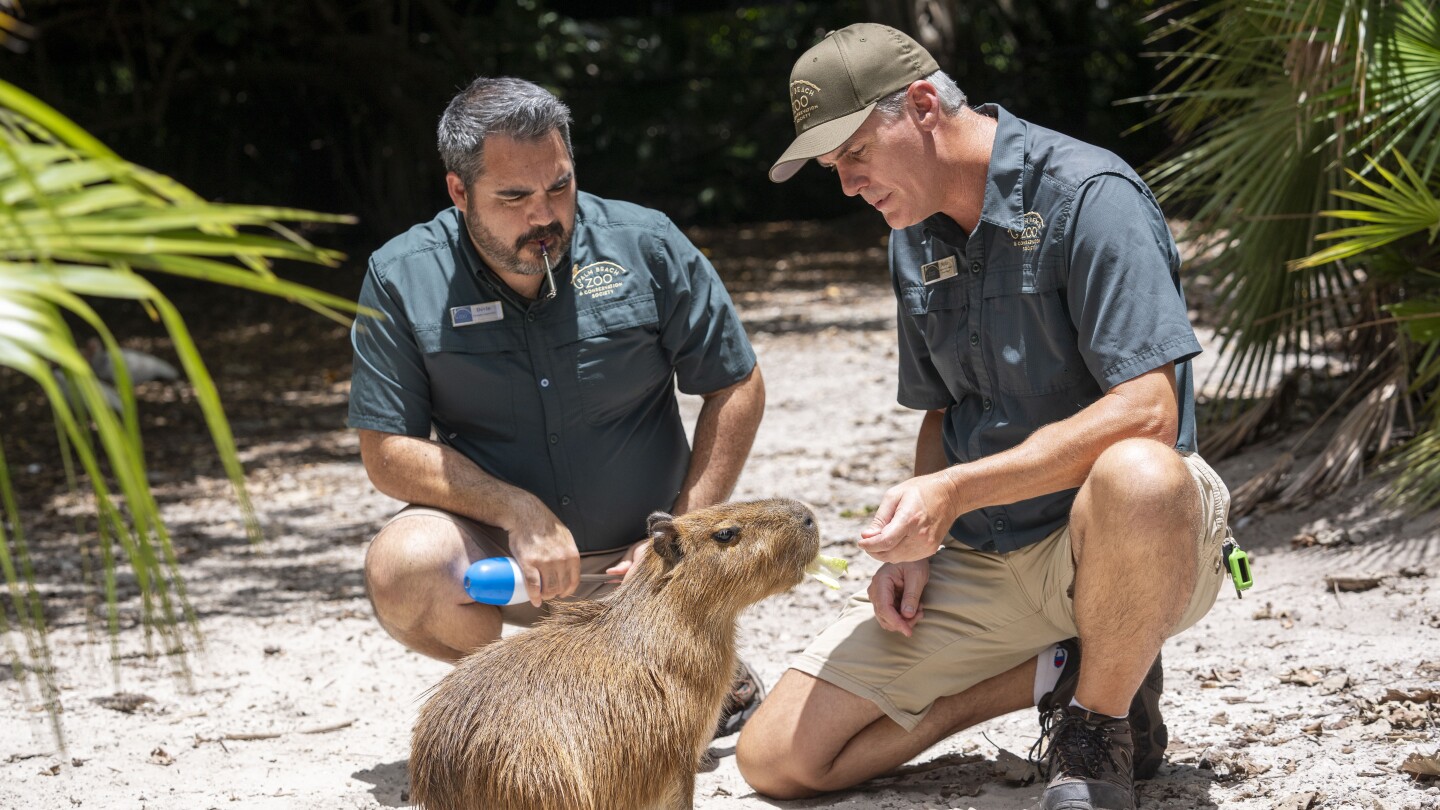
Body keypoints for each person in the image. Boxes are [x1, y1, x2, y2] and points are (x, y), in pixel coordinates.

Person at [736, 24, 1232, 810]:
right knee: (776, 760)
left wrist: (957, 492)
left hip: (1121, 541)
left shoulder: (1089, 194)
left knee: (1139, 471)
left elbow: (1149, 412)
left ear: (924, 104)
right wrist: (918, 540)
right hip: (985, 550)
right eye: (833, 167)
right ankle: (1057, 672)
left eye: (854, 154)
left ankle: (1095, 734)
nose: (846, 185)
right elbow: (941, 411)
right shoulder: (909, 233)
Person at [348, 76, 768, 736]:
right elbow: (387, 454)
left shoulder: (645, 243)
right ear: (459, 193)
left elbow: (737, 382)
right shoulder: (401, 275)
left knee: (652, 729)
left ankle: (696, 669)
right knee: (403, 565)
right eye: (514, 196)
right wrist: (515, 510)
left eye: (559, 186)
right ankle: (529, 688)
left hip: (645, 566)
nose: (545, 215)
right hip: (505, 566)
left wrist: (682, 532)